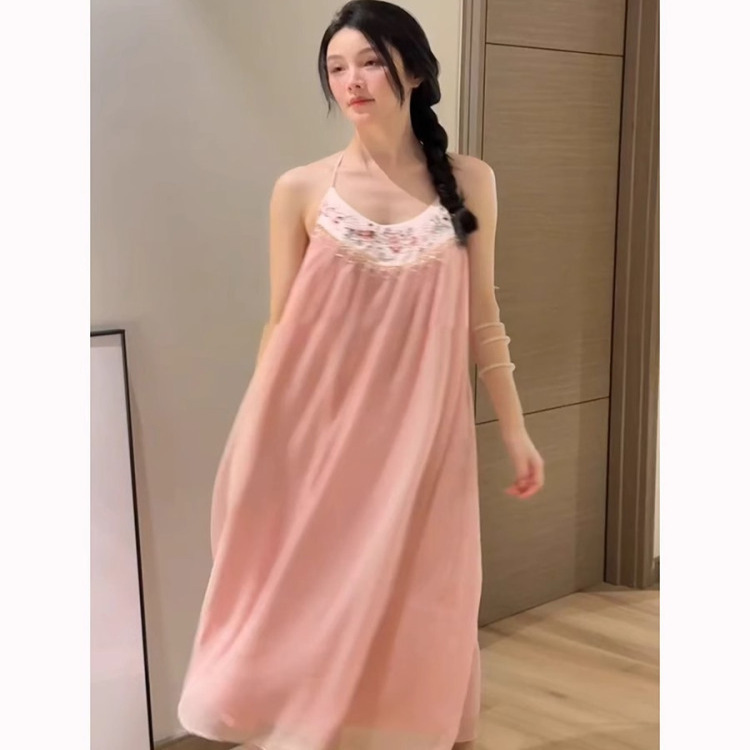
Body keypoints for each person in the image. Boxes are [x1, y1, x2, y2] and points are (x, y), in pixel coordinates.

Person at [177, 2, 545, 749]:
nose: (351, 81)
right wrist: (253, 441)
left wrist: (515, 429)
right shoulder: (300, 188)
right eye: (337, 67)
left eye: (370, 62)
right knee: (297, 594)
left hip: (424, 440)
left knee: (424, 599)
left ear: (413, 70)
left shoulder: (470, 182)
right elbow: (280, 326)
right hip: (316, 436)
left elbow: (484, 317)